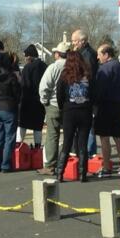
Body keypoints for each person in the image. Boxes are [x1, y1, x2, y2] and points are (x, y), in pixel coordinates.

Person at [56, 51, 95, 183]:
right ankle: (82, 174)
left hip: (69, 111)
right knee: (82, 143)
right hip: (85, 111)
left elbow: (59, 95)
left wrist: (63, 107)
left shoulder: (65, 76)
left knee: (67, 143)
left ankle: (59, 173)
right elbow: (93, 93)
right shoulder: (88, 76)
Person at [93, 43, 120, 178]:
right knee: (118, 136)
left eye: (99, 54)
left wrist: (95, 102)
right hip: (117, 105)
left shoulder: (103, 69)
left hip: (103, 106)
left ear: (106, 54)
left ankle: (106, 166)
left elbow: (99, 89)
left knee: (104, 137)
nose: (97, 57)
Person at [38, 42, 69, 173]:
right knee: (70, 135)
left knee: (52, 135)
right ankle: (70, 163)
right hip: (70, 106)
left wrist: (45, 101)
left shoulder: (54, 67)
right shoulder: (74, 67)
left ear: (57, 54)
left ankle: (50, 165)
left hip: (54, 104)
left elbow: (44, 87)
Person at [71, 29, 99, 157]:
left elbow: (88, 77)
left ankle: (88, 155)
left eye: (75, 41)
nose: (73, 44)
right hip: (86, 96)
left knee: (88, 129)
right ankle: (86, 155)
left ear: (83, 41)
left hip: (87, 97)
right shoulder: (84, 53)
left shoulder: (87, 55)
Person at [18, 44, 47, 150]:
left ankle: (18, 145)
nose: (25, 58)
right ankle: (37, 147)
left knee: (22, 125)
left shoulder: (27, 68)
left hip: (27, 101)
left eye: (26, 56)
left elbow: (24, 85)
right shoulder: (45, 66)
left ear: (30, 56)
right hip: (40, 101)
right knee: (38, 126)